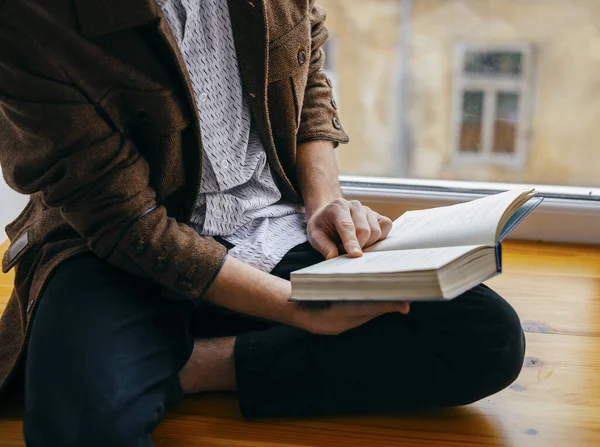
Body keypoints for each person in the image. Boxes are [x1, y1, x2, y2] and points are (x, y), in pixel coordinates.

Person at [0, 0, 525, 445]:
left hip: (267, 222)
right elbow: (125, 223)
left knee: (486, 335)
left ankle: (190, 365)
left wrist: (323, 200)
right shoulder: (30, 16)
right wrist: (297, 311)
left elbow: (308, 71)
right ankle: (160, 346)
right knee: (79, 425)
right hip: (113, 248)